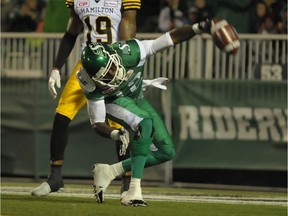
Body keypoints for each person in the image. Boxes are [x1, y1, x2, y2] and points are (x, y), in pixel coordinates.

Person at [76, 18, 212, 206]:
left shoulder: (131, 51)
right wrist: (115, 134)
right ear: (93, 77)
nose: (113, 74)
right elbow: (97, 122)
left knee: (166, 152)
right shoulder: (87, 81)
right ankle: (133, 190)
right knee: (144, 123)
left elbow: (168, 39)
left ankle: (109, 171)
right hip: (114, 101)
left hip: (137, 97)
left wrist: (197, 28)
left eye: (113, 67)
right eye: (106, 74)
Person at [31, 0, 141, 196]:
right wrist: (56, 68)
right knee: (62, 115)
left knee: (118, 125)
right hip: (86, 66)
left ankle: (127, 184)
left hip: (114, 65)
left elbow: (129, 25)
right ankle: (55, 177)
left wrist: (128, 63)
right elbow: (71, 32)